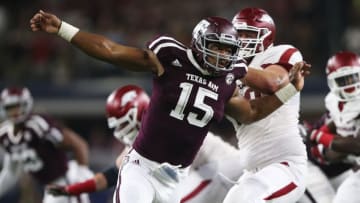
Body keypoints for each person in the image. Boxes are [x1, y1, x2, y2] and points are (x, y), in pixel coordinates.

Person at [30, 10, 309, 203]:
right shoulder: (170, 57)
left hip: (176, 179)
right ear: (198, 42)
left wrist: (288, 92)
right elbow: (110, 50)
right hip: (141, 167)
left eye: (227, 50)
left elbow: (251, 112)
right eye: (216, 46)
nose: (222, 54)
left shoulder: (228, 77)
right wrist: (63, 30)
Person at [46, 85, 244, 203]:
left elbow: (174, 174)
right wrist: (73, 189)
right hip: (209, 176)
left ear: (139, 112)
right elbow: (110, 176)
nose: (120, 132)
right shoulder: (143, 143)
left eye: (124, 123)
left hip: (225, 170)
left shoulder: (169, 125)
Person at [222, 8, 309, 203]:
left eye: (249, 34)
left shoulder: (283, 53)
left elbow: (274, 82)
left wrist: (229, 66)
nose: (243, 39)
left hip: (285, 163)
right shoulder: (225, 74)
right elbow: (249, 113)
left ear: (267, 36)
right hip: (251, 171)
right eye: (239, 34)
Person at [0, 86, 93, 203]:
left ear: (26, 104)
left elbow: (78, 144)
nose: (14, 112)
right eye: (10, 108)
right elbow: (11, 172)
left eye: (17, 106)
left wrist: (83, 174)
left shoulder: (38, 125)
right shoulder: (4, 135)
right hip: (48, 187)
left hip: (65, 180)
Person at [308, 51, 360, 203]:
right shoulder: (334, 102)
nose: (350, 84)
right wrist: (320, 133)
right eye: (343, 80)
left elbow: (357, 145)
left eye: (353, 77)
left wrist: (318, 136)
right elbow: (338, 122)